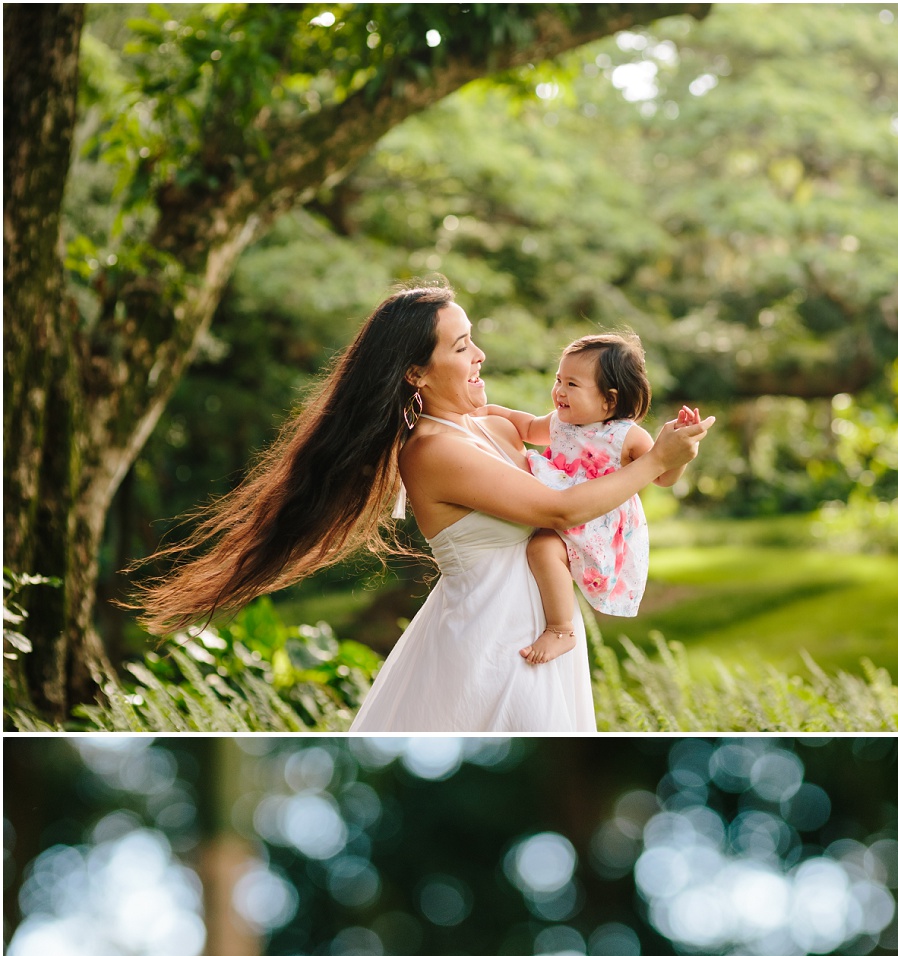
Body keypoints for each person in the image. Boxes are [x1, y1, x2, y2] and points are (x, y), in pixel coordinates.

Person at [137, 284, 711, 735]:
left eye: (473, 339)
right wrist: (654, 457)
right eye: (461, 347)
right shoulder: (433, 451)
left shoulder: (492, 426)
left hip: (540, 632)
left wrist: (656, 454)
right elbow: (559, 510)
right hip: (493, 643)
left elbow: (590, 454)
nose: (479, 354)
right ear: (415, 371)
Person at [485, 330, 688, 666]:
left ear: (609, 399)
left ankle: (561, 629)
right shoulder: (558, 423)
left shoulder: (627, 435)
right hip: (560, 509)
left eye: (572, 385)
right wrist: (488, 410)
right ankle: (555, 619)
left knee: (541, 549)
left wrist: (679, 452)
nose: (559, 391)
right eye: (558, 380)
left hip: (597, 520)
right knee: (536, 549)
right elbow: (525, 426)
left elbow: (663, 474)